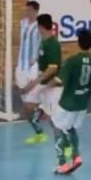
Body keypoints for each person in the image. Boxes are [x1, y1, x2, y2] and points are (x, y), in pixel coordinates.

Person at [50, 28, 91, 175]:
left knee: (58, 129)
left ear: (78, 43)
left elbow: (59, 80)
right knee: (71, 128)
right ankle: (76, 156)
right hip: (83, 103)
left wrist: (44, 86)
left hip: (68, 103)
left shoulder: (72, 61)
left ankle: (62, 163)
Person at [21, 14, 61, 144]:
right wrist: (36, 59)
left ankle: (67, 146)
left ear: (41, 27)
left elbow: (53, 68)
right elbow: (44, 57)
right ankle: (40, 134)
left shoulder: (53, 44)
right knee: (27, 105)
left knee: (54, 120)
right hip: (42, 81)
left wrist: (34, 83)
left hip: (51, 85)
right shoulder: (44, 41)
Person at [16, 0, 45, 144]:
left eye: (28, 10)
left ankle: (43, 108)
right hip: (20, 66)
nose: (26, 13)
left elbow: (44, 44)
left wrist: (37, 57)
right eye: (25, 10)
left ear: (35, 11)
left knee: (28, 101)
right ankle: (39, 130)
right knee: (23, 96)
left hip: (32, 67)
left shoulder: (39, 27)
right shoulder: (22, 23)